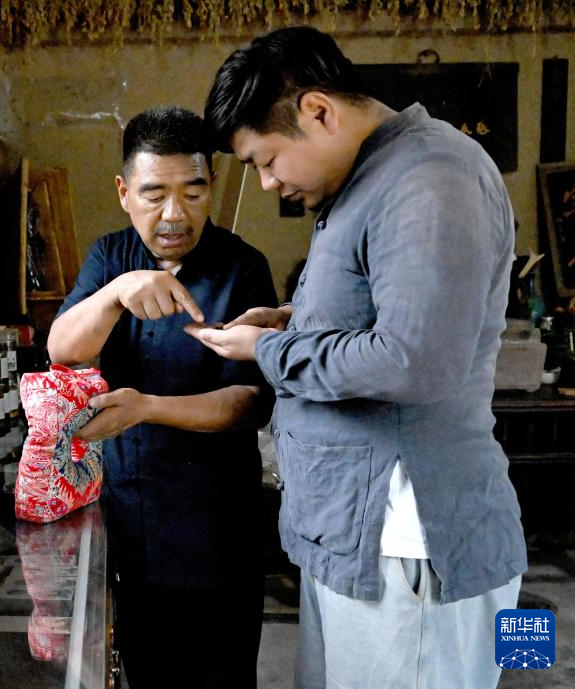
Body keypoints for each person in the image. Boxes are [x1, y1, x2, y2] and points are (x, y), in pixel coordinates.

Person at [191, 26, 527, 689]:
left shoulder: (430, 177)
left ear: (318, 111)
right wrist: (291, 320)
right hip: (359, 539)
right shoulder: (368, 178)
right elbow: (381, 313)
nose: (267, 183)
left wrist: (271, 348)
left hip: (408, 545)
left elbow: (414, 360)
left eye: (266, 159)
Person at [48, 106, 277, 688]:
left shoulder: (242, 267)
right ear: (124, 192)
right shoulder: (111, 257)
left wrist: (147, 407)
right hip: (132, 519)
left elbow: (252, 402)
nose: (175, 213)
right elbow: (62, 349)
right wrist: (117, 293)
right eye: (154, 195)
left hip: (216, 527)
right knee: (147, 672)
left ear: (211, 186)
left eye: (192, 193)